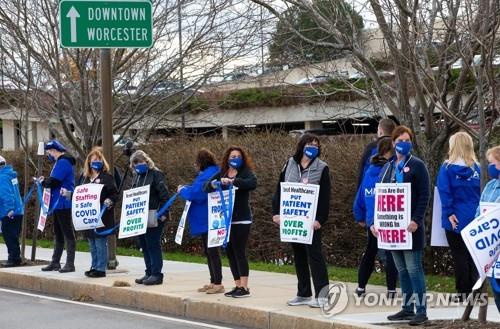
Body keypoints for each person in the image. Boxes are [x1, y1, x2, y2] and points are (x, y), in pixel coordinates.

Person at [375, 126, 430, 326]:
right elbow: (381, 196)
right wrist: (376, 222)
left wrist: (416, 219)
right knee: (401, 269)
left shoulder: (417, 165)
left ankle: (421, 310)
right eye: (400, 141)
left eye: (407, 140)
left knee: (414, 268)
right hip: (393, 230)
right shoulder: (388, 166)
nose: (403, 144)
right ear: (393, 143)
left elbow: (424, 195)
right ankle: (407, 308)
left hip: (410, 228)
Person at [272, 133, 331, 308]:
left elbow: (325, 196)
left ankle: (323, 296)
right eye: (309, 144)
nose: (313, 147)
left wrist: (320, 219)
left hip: (311, 222)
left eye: (316, 145)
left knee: (315, 256)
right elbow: (280, 189)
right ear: (302, 146)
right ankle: (303, 293)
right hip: (293, 220)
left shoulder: (322, 167)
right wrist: (276, 212)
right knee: (298, 256)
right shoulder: (289, 163)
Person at [204, 146, 257, 298]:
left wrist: (234, 181)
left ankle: (245, 287)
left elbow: (252, 183)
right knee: (230, 253)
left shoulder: (246, 172)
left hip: (241, 219)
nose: (235, 159)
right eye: (232, 156)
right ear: (227, 158)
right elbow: (206, 186)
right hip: (225, 220)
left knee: (239, 252)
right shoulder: (222, 173)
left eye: (238, 156)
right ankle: (237, 285)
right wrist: (216, 183)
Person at [436, 132, 480, 301]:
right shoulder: (477, 168)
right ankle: (475, 292)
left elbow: (444, 192)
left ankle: (463, 293)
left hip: (455, 216)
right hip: (475, 217)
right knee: (473, 256)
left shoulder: (447, 168)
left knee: (459, 255)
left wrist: (449, 213)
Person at [353, 137, 398, 297]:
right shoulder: (393, 169)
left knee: (370, 252)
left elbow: (362, 195)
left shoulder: (370, 170)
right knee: (391, 253)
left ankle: (361, 286)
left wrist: (360, 215)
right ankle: (391, 289)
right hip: (388, 217)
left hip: (372, 219)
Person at [177, 148, 222, 294]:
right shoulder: (212, 173)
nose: (195, 166)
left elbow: (196, 193)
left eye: (196, 163)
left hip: (207, 218)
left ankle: (217, 283)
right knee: (210, 252)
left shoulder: (206, 175)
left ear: (201, 162)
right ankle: (213, 280)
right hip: (208, 218)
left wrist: (182, 191)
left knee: (212, 251)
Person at [130, 150, 170, 285]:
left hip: (156, 215)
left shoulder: (156, 174)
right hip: (140, 217)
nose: (139, 165)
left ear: (146, 161)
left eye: (141, 161)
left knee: (153, 244)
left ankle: (157, 274)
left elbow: (164, 195)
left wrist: (163, 213)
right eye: (135, 163)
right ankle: (149, 272)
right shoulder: (136, 177)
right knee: (144, 245)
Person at [80, 147, 119, 278]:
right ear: (89, 162)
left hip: (102, 216)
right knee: (92, 242)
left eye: (99, 160)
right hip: (88, 216)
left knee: (100, 242)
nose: (97, 162)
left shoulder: (107, 177)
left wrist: (109, 200)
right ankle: (94, 266)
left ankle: (101, 268)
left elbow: (115, 194)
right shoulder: (85, 178)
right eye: (94, 160)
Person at [40, 140, 77, 273]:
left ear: (54, 150)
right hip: (58, 203)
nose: (48, 154)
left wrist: (44, 182)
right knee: (59, 234)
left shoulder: (63, 162)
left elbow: (54, 181)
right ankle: (55, 262)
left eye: (49, 152)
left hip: (63, 203)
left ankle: (69, 263)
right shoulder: (60, 162)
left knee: (67, 234)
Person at [475, 146, 500, 312]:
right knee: (497, 292)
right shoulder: (490, 186)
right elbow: (479, 211)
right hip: (493, 249)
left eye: (492, 163)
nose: (490, 167)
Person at [357, 118, 396, 189]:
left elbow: (362, 173)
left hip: (372, 190)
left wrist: (359, 192)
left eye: (378, 130)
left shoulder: (371, 148)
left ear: (381, 132)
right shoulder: (399, 147)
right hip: (395, 193)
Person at [0, 156, 24, 267]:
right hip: (18, 211)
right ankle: (14, 257)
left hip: (9, 212)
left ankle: (14, 259)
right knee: (13, 236)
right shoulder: (10, 175)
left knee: (9, 235)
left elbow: (6, 194)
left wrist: (9, 209)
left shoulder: (2, 177)